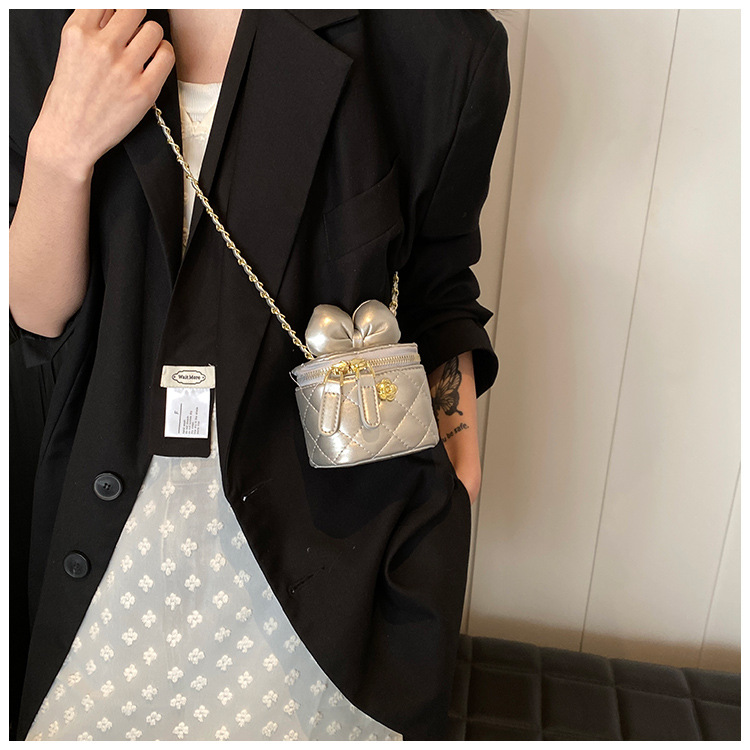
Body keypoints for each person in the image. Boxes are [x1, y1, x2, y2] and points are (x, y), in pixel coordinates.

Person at [9, 9, 511, 741]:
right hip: (103, 561)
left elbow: (438, 286)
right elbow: (39, 319)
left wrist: (457, 486)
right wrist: (60, 153)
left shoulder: (437, 43)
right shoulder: (52, 26)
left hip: (326, 588)